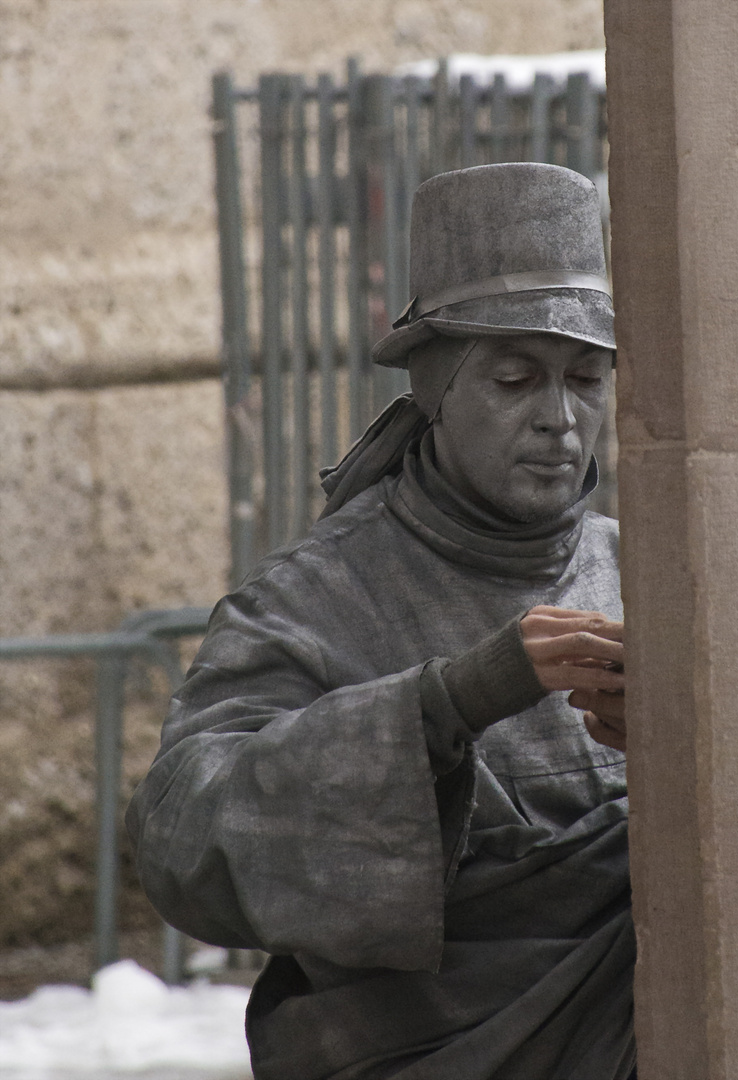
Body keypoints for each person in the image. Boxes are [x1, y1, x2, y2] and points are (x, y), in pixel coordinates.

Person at [127, 162, 635, 1080]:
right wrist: (446, 704)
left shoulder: (644, 575)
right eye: (516, 379)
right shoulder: (311, 597)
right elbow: (182, 839)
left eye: (586, 378)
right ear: (436, 392)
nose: (559, 418)